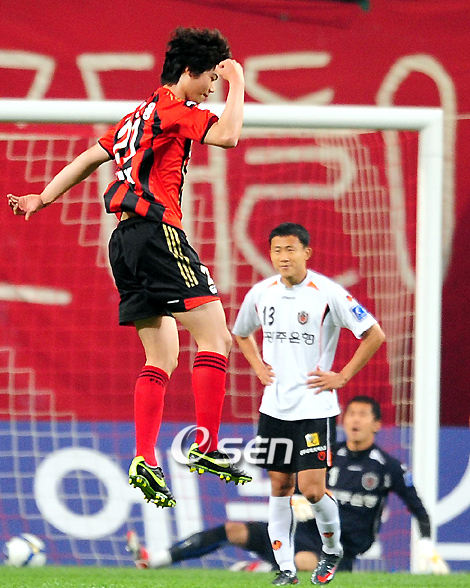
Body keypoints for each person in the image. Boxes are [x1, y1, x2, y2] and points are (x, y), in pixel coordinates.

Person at [6, 27, 251, 509]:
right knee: (216, 337)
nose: (212, 89)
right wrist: (239, 83)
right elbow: (228, 135)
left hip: (122, 242)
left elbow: (88, 158)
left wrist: (43, 197)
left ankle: (144, 457)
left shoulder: (134, 117)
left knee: (162, 356)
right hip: (158, 232)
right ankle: (205, 445)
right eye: (211, 79)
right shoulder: (174, 110)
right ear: (189, 72)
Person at [126, 396, 449, 576]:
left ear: (376, 424)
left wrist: (425, 544)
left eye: (363, 415)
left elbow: (418, 508)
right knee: (233, 530)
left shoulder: (387, 466)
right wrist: (298, 500)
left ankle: (263, 568)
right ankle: (155, 558)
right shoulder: (326, 454)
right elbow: (294, 486)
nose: (355, 420)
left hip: (338, 550)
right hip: (299, 532)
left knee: (306, 563)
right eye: (351, 413)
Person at [231, 223, 386, 585]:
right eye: (276, 250)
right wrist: (258, 366)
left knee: (313, 490)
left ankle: (331, 550)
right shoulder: (261, 293)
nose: (283, 257)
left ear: (306, 253)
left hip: (315, 408)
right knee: (280, 487)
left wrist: (342, 376)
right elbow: (240, 333)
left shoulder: (328, 293)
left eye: (290, 249)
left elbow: (374, 334)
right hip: (274, 409)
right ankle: (286, 568)